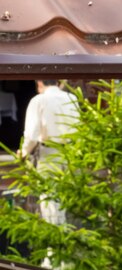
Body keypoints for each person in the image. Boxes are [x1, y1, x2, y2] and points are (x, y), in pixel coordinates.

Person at [18, 80, 79, 225]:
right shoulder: (72, 98)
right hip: (70, 151)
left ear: (39, 83)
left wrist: (24, 152)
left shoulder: (39, 100)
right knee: (65, 198)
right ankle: (64, 238)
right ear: (59, 83)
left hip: (49, 152)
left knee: (50, 198)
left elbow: (32, 133)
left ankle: (54, 242)